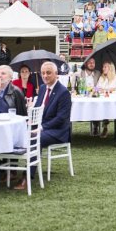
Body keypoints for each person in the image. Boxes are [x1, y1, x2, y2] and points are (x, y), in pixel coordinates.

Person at [14, 62, 72, 191]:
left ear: (56, 74)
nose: (45, 76)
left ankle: (27, 177)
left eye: (48, 73)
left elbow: (61, 118)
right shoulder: (42, 88)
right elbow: (39, 110)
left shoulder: (63, 93)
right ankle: (11, 170)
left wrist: (40, 128)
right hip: (42, 126)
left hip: (58, 131)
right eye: (43, 73)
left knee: (35, 138)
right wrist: (31, 114)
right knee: (19, 133)